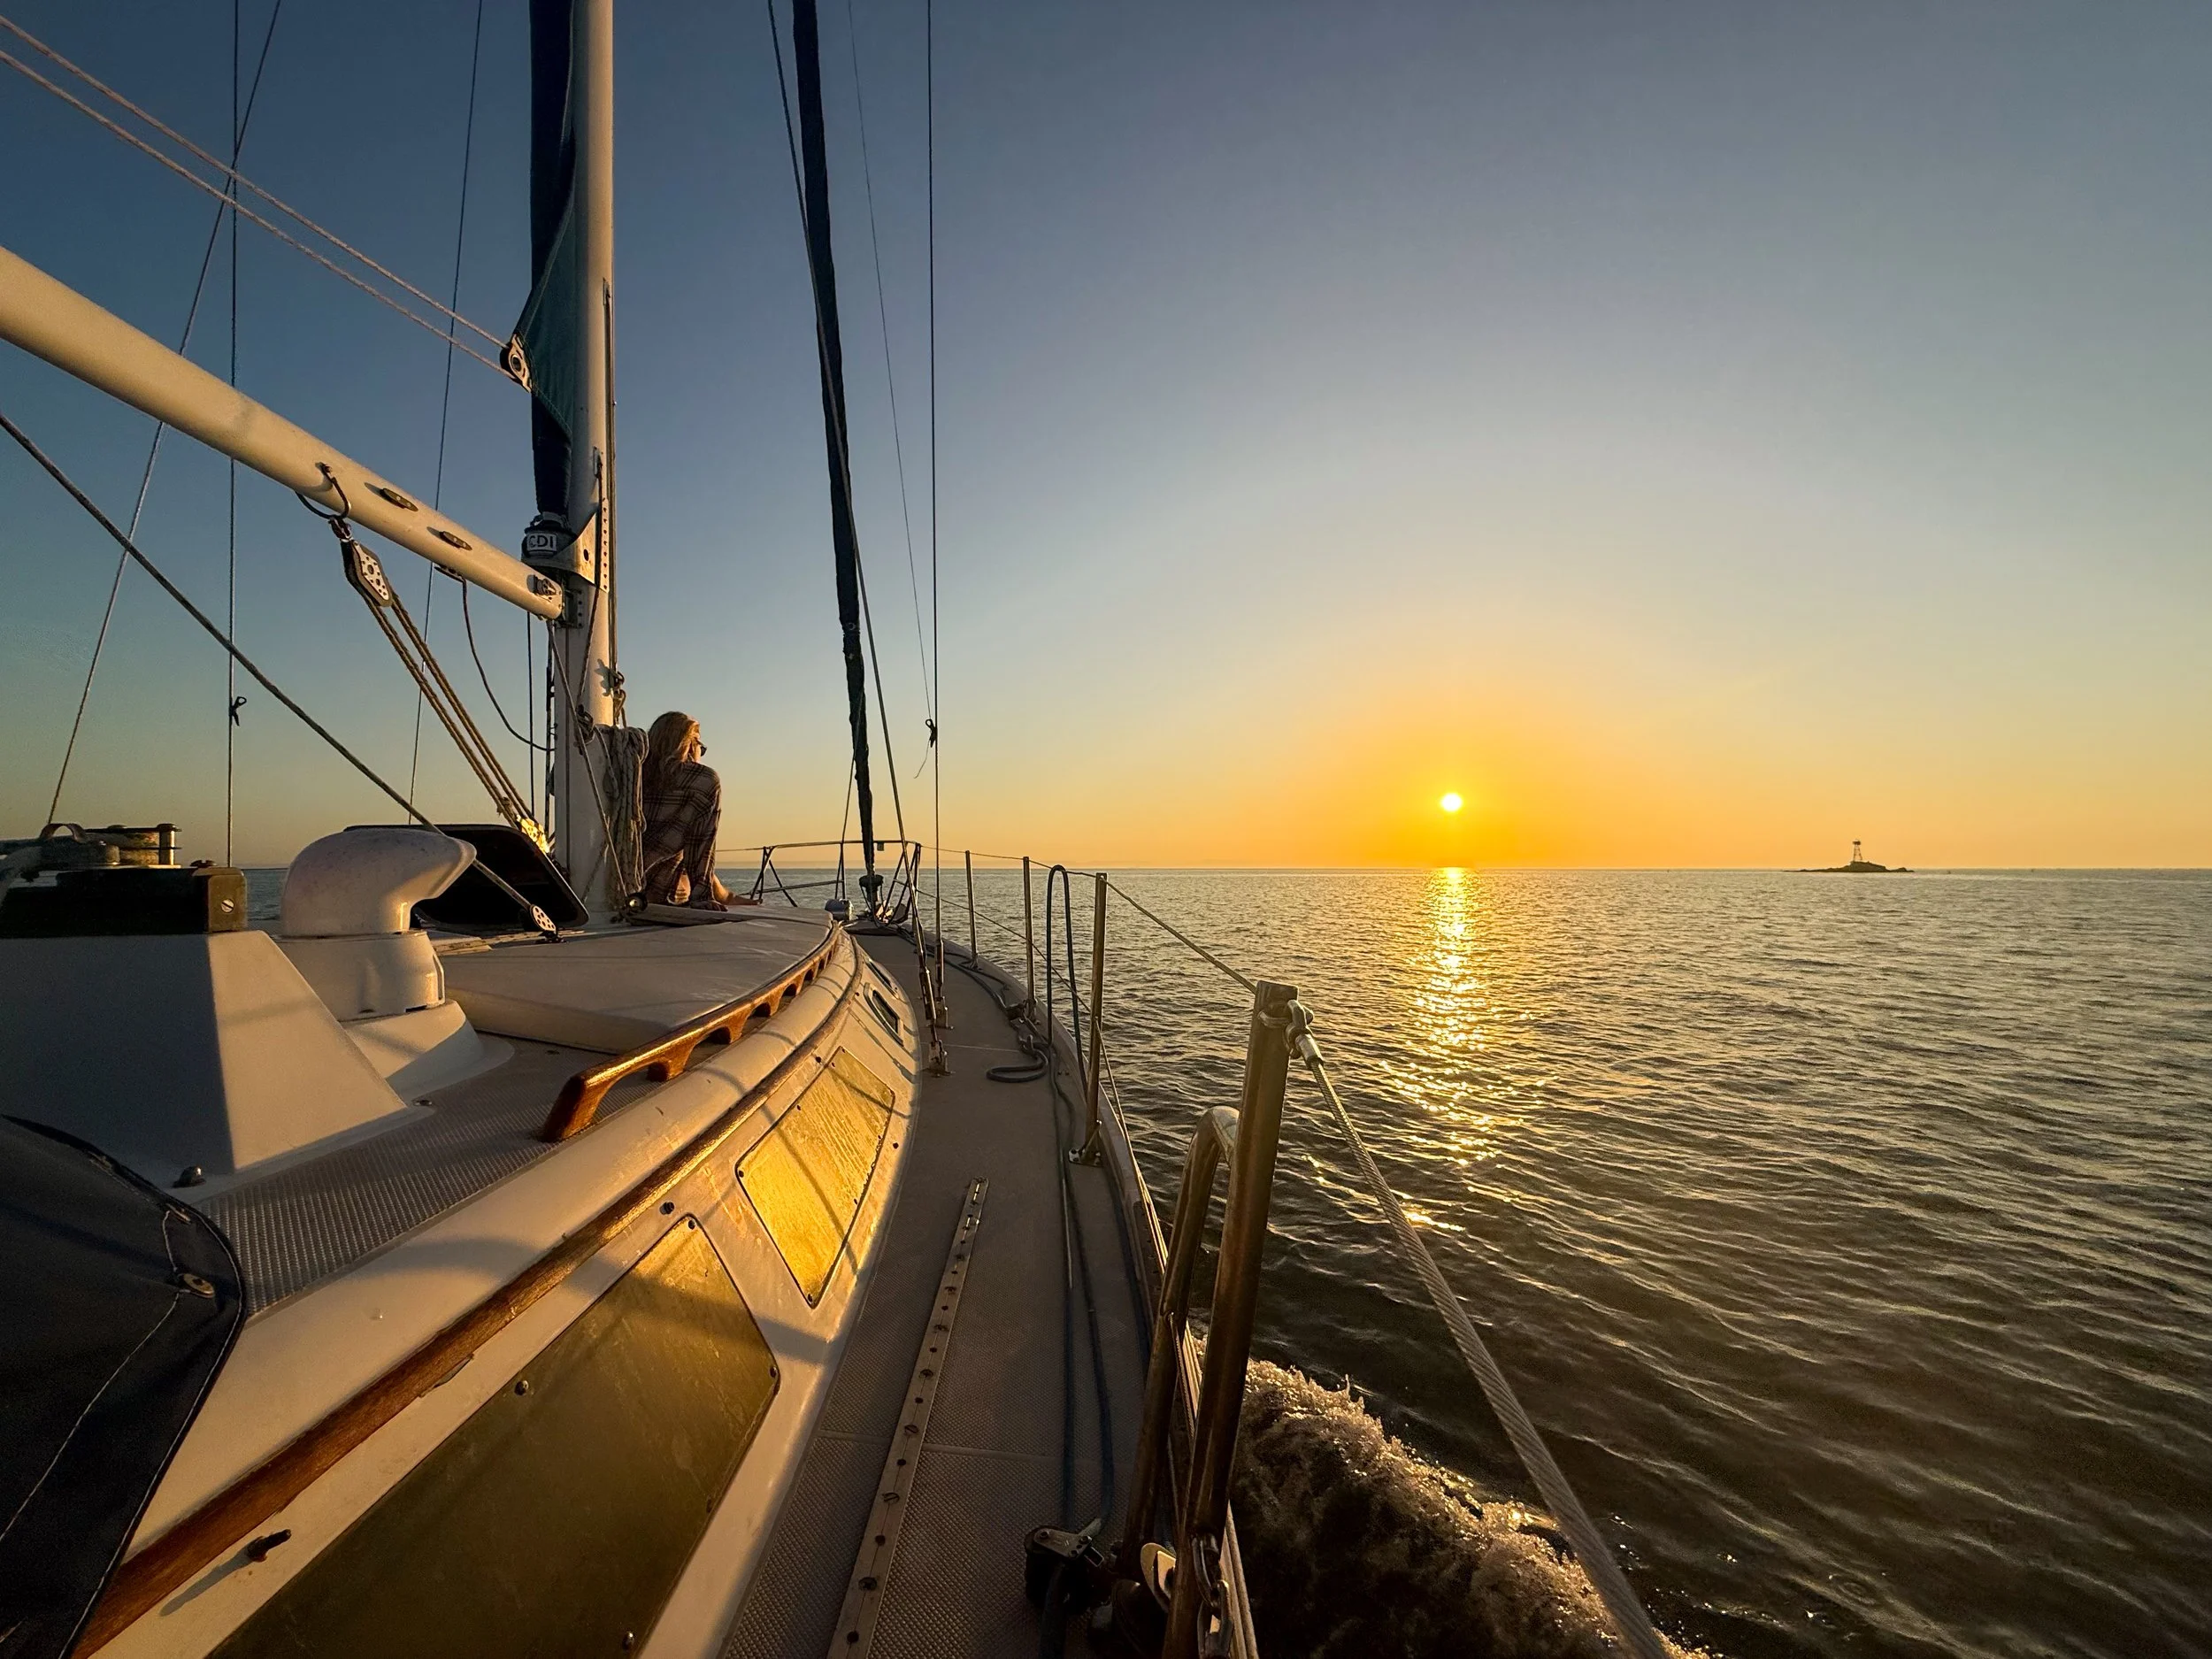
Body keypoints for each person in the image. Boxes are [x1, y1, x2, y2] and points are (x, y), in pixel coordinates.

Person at [641, 710, 736, 908]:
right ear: (691, 745)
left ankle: (730, 896)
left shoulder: (633, 772)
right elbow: (700, 845)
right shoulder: (702, 780)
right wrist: (702, 898)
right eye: (701, 746)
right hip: (659, 890)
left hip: (611, 877)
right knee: (685, 861)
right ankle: (730, 897)